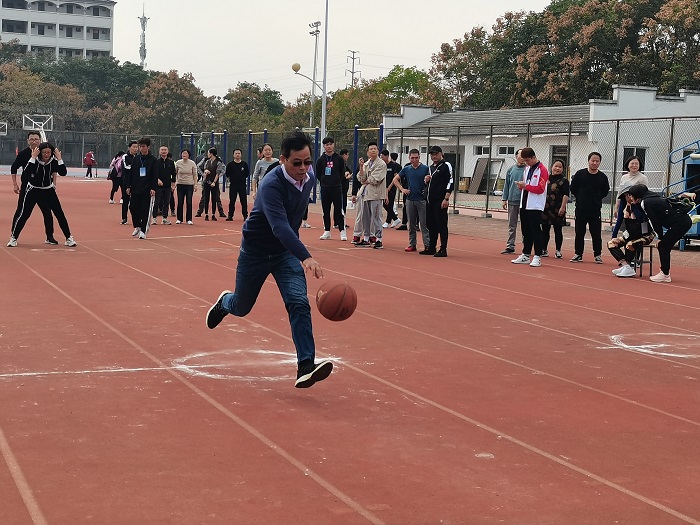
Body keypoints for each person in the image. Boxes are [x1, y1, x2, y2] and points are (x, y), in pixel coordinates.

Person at [205, 132, 333, 388]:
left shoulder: (309, 178)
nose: (303, 168)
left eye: (307, 162)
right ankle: (225, 302)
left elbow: (291, 223)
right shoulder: (271, 184)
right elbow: (280, 227)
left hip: (285, 253)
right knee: (242, 306)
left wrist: (296, 253)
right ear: (282, 160)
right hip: (256, 251)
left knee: (299, 303)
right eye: (297, 163)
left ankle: (306, 365)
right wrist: (306, 256)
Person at [8, 142, 76, 247]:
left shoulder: (53, 162)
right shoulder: (34, 161)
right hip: (33, 190)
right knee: (25, 214)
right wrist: (33, 157)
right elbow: (27, 172)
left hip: (48, 190)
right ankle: (13, 238)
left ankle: (68, 238)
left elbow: (63, 172)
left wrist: (59, 158)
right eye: (44, 152)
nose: (46, 154)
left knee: (59, 214)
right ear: (40, 152)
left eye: (49, 152)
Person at [627, 184, 696, 283]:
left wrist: (659, 237)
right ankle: (665, 272)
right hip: (682, 221)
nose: (630, 197)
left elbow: (653, 221)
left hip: (680, 223)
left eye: (631, 195)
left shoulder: (646, 202)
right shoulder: (652, 196)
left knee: (663, 246)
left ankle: (665, 274)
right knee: (664, 246)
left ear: (637, 195)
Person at [10, 131, 56, 243]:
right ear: (28, 141)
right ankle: (13, 235)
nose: (34, 141)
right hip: (27, 187)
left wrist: (54, 183)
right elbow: (14, 168)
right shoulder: (23, 154)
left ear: (40, 140)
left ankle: (49, 236)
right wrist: (15, 184)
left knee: (47, 212)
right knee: (21, 212)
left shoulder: (45, 152)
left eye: (36, 139)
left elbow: (53, 169)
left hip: (44, 188)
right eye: (31, 139)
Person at [511, 147, 549, 267]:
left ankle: (537, 256)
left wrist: (525, 186)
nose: (526, 163)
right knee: (525, 231)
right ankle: (526, 254)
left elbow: (540, 189)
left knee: (535, 230)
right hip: (524, 203)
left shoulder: (542, 170)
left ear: (533, 157)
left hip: (535, 205)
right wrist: (521, 186)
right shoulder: (527, 169)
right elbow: (526, 185)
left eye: (527, 160)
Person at [569, 152, 610, 263]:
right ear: (588, 161)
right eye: (593, 161)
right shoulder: (580, 174)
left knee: (596, 233)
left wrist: (596, 198)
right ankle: (578, 254)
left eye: (597, 161)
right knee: (579, 232)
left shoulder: (602, 177)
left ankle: (597, 255)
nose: (595, 163)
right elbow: (573, 188)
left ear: (600, 162)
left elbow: (605, 191)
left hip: (595, 210)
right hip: (581, 209)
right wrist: (580, 197)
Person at [607, 185, 655, 278]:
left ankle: (628, 267)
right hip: (631, 234)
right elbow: (620, 221)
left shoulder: (642, 205)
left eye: (628, 195)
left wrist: (634, 205)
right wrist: (614, 236)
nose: (627, 198)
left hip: (645, 235)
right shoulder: (625, 206)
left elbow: (641, 219)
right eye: (625, 196)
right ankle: (626, 266)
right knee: (611, 243)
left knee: (630, 244)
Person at [393, 149, 430, 253]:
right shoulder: (406, 169)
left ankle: (427, 245)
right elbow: (395, 180)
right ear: (409, 158)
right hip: (410, 199)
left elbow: (430, 180)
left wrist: (428, 180)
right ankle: (412, 244)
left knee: (424, 224)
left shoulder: (425, 168)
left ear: (419, 157)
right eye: (412, 158)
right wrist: (402, 189)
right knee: (411, 224)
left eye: (416, 158)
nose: (414, 160)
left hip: (422, 200)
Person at [421, 145, 453, 257]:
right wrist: (426, 180)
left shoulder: (446, 165)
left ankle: (443, 249)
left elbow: (451, 181)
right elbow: (429, 184)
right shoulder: (430, 168)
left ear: (441, 154)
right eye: (432, 154)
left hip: (440, 201)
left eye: (436, 154)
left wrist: (446, 198)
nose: (434, 156)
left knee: (441, 225)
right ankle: (432, 247)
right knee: (431, 225)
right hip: (429, 201)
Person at [124, 137, 157, 239]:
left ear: (148, 147)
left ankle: (143, 230)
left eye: (143, 146)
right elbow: (131, 173)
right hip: (135, 188)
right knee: (132, 207)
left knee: (145, 210)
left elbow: (155, 175)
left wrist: (153, 188)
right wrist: (128, 186)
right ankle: (137, 225)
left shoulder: (153, 160)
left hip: (147, 189)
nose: (141, 148)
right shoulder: (136, 159)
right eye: (140, 146)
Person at [356, 142, 387, 249]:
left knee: (376, 217)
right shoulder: (366, 164)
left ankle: (379, 239)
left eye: (375, 149)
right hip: (365, 194)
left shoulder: (381, 164)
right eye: (371, 149)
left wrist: (365, 181)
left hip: (376, 195)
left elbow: (375, 179)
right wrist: (361, 167)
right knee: (365, 217)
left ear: (378, 151)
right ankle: (366, 238)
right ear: (367, 152)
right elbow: (360, 178)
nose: (373, 150)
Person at [316, 137, 347, 241]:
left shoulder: (339, 159)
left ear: (333, 145)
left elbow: (342, 172)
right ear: (324, 146)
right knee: (326, 210)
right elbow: (318, 174)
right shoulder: (321, 160)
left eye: (330, 144)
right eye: (327, 145)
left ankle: (342, 230)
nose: (329, 146)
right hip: (325, 188)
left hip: (336, 188)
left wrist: (336, 180)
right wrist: (324, 181)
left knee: (338, 210)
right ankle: (327, 231)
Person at [612, 156, 650, 238]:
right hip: (624, 201)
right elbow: (619, 193)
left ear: (639, 165)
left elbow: (645, 193)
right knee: (619, 220)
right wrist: (616, 208)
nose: (634, 165)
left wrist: (635, 202)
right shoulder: (624, 177)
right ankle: (613, 238)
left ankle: (643, 237)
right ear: (628, 165)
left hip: (637, 203)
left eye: (636, 164)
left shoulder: (643, 178)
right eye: (632, 163)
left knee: (640, 220)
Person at [541, 159, 570, 258]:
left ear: (563, 169)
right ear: (551, 167)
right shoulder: (546, 178)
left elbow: (566, 194)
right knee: (545, 229)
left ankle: (558, 250)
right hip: (546, 207)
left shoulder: (564, 181)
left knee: (558, 230)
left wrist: (563, 207)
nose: (557, 168)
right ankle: (544, 249)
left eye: (560, 167)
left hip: (558, 208)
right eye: (556, 166)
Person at [500, 149, 525, 254]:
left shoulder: (528, 169)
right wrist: (504, 199)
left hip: (524, 201)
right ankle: (510, 246)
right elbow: (507, 185)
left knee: (525, 225)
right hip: (512, 200)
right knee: (512, 225)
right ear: (516, 156)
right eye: (521, 155)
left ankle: (526, 247)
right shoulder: (511, 170)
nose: (522, 157)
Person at [196, 147, 225, 221]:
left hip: (214, 182)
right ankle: (204, 213)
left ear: (211, 153)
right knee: (205, 197)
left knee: (215, 198)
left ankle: (215, 213)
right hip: (207, 181)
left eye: (208, 153)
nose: (207, 154)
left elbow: (221, 170)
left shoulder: (219, 161)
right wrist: (204, 173)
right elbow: (199, 167)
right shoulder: (206, 160)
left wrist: (216, 180)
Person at [153, 145, 176, 225]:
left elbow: (173, 174)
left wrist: (173, 184)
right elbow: (153, 173)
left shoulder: (171, 162)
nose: (164, 151)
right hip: (158, 186)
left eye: (165, 150)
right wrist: (157, 180)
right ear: (159, 152)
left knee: (166, 202)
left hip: (167, 186)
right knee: (156, 202)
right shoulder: (156, 162)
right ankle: (154, 218)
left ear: (167, 151)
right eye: (162, 150)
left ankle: (165, 218)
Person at [224, 148, 249, 221]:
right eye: (236, 153)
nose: (237, 155)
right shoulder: (230, 165)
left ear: (241, 155)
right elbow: (227, 174)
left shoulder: (244, 164)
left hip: (242, 185)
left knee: (243, 201)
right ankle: (230, 216)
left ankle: (245, 215)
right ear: (233, 155)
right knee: (232, 201)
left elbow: (246, 174)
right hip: (233, 185)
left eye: (239, 153)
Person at [174, 149, 198, 224]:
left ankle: (189, 219)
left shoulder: (192, 163)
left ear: (188, 155)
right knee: (180, 202)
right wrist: (175, 183)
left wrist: (195, 184)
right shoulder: (178, 163)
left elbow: (195, 174)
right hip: (180, 184)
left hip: (189, 185)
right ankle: (179, 219)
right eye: (183, 153)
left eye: (186, 153)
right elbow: (175, 173)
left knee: (189, 202)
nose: (184, 155)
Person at [381, 149, 402, 229]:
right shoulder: (383, 166)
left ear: (387, 156)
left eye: (383, 157)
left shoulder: (393, 165)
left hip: (392, 188)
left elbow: (395, 177)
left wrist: (390, 186)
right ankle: (395, 219)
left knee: (389, 204)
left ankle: (388, 221)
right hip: (384, 188)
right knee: (384, 204)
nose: (382, 158)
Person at [120, 141, 138, 225]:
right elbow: (127, 168)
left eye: (136, 147)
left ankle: (137, 218)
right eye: (134, 147)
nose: (135, 149)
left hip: (136, 182)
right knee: (126, 200)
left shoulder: (139, 157)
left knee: (136, 202)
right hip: (126, 182)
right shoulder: (125, 157)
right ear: (129, 148)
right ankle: (124, 218)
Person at [339, 148, 352, 215]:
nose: (348, 156)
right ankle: (341, 217)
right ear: (344, 155)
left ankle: (342, 216)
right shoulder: (339, 163)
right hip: (341, 186)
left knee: (343, 202)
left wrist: (349, 174)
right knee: (341, 202)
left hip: (344, 187)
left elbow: (350, 171)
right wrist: (346, 176)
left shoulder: (344, 164)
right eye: (347, 155)